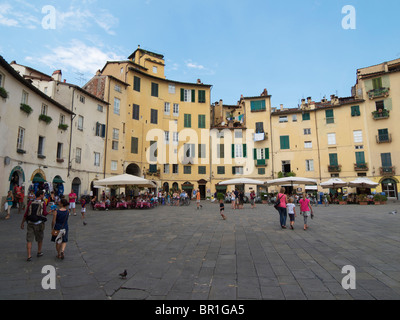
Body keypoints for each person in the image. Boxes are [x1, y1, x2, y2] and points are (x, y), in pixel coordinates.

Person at [20, 190, 51, 261]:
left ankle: (29, 255)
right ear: (40, 195)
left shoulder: (30, 202)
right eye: (43, 194)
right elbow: (45, 213)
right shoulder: (43, 203)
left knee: (29, 240)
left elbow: (26, 214)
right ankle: (39, 252)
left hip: (30, 223)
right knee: (40, 238)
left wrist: (22, 223)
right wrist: (49, 212)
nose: (44, 196)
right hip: (39, 223)